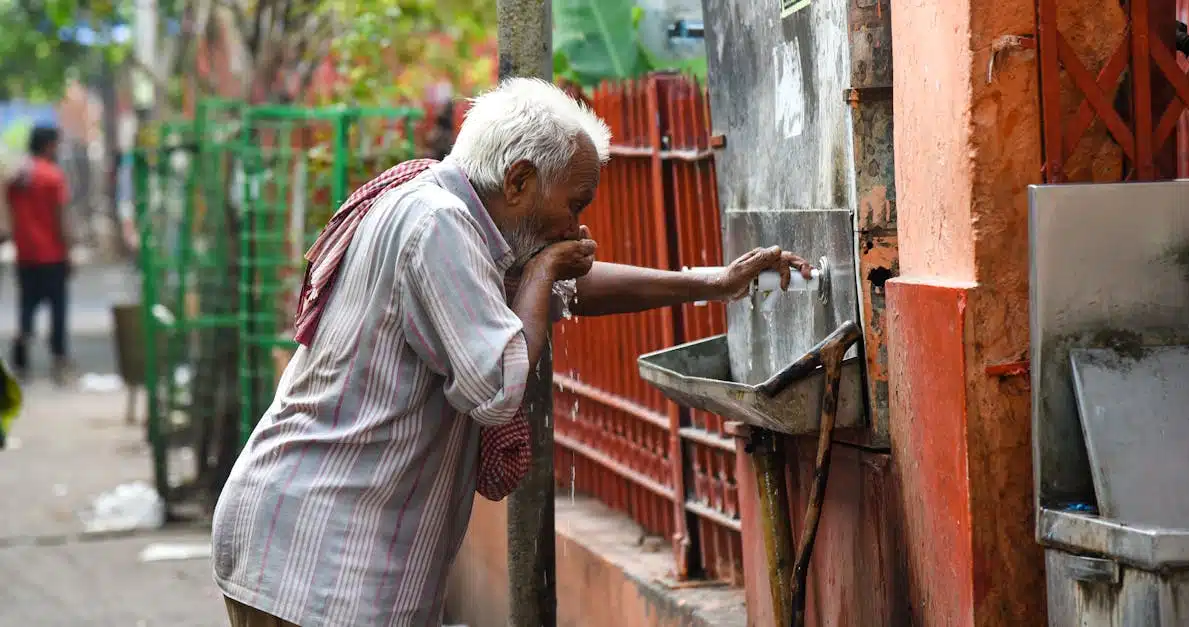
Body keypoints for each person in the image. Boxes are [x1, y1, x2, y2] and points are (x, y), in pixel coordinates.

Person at [211, 78, 812, 627]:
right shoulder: (437, 226)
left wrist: (713, 282)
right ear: (520, 181)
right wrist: (545, 270)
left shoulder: (458, 216)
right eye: (573, 205)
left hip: (310, 541)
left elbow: (574, 285)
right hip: (317, 550)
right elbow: (498, 386)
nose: (575, 230)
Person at [5, 126, 71, 384]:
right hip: (52, 254)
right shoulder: (53, 176)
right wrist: (69, 250)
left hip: (26, 254)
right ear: (48, 145)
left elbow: (8, 209)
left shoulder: (18, 177)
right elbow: (60, 218)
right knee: (58, 309)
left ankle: (21, 359)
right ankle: (59, 360)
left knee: (27, 307)